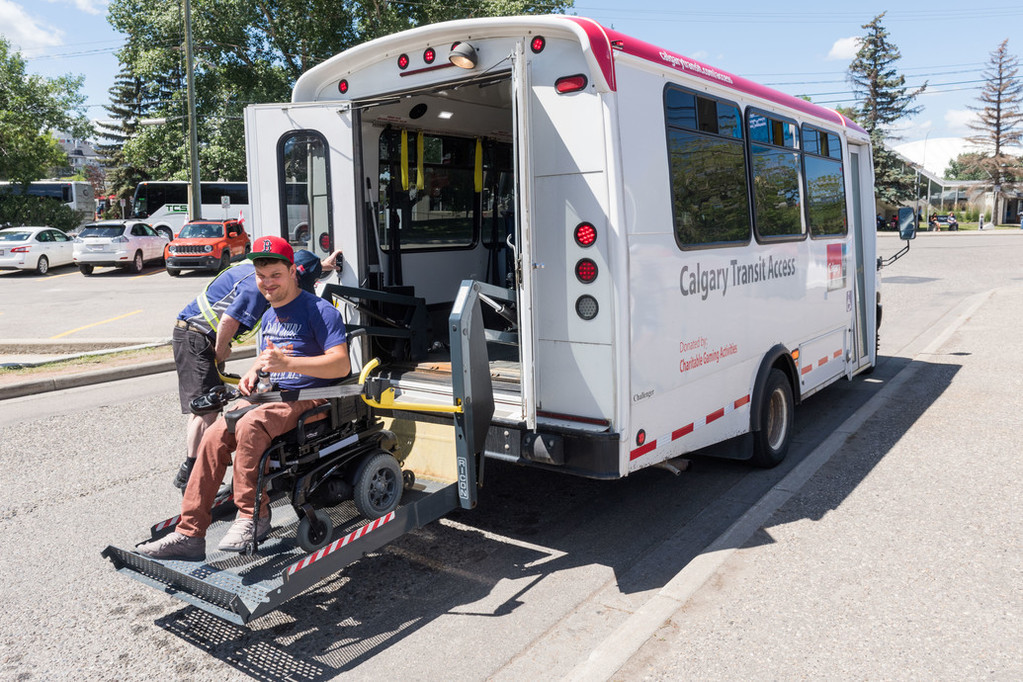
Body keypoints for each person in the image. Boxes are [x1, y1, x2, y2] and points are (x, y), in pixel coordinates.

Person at [139, 236, 351, 560]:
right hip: (272, 396)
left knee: (250, 425)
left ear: (293, 271)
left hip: (309, 396)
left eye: (275, 275)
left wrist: (289, 364)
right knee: (213, 434)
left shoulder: (320, 311)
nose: (268, 283)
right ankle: (189, 534)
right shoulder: (269, 316)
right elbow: (268, 357)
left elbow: (341, 363)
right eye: (261, 276)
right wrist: (254, 370)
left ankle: (253, 517)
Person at [171, 245, 344, 492]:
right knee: (208, 409)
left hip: (201, 335)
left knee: (242, 422)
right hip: (199, 336)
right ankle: (192, 470)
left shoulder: (271, 270)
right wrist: (220, 356)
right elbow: (228, 322)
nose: (272, 282)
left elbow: (304, 267)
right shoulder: (259, 289)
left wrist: (324, 265)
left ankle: (230, 488)